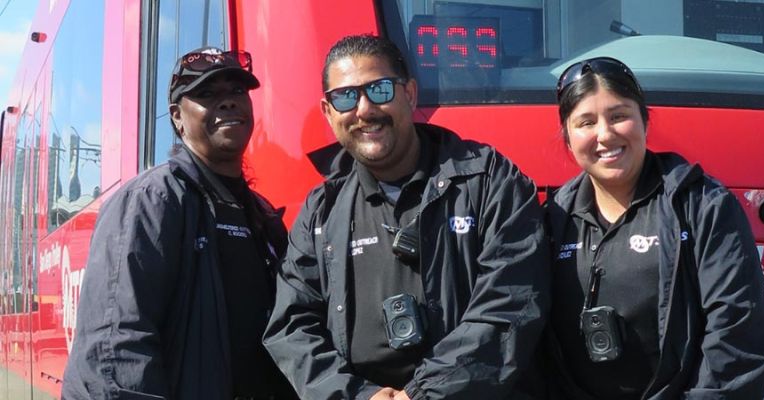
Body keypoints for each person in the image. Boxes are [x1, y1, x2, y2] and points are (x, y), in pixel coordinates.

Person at [263, 34, 551, 400]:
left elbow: (513, 301)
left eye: (380, 89)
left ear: (410, 94)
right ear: (328, 111)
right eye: (345, 97)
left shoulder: (490, 179)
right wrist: (356, 396)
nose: (364, 109)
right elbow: (291, 327)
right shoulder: (321, 211)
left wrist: (423, 394)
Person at [62, 47, 297, 400]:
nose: (229, 102)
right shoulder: (151, 201)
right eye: (206, 94)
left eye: (237, 91)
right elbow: (116, 351)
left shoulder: (261, 213)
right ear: (177, 118)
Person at [543, 56, 764, 399]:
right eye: (586, 122)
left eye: (619, 116)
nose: (605, 135)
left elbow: (737, 334)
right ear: (567, 137)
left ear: (645, 122)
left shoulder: (702, 204)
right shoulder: (552, 219)